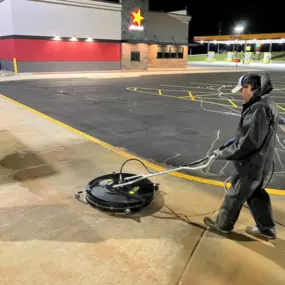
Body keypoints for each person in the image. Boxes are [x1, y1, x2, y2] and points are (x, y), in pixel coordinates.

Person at [204, 72, 279, 240]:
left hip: (251, 164)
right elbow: (253, 134)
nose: (240, 93)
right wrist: (232, 142)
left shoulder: (258, 108)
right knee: (255, 194)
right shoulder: (266, 103)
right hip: (262, 162)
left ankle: (222, 225)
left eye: (242, 89)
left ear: (250, 87)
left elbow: (249, 144)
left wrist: (223, 153)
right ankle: (267, 229)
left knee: (235, 194)